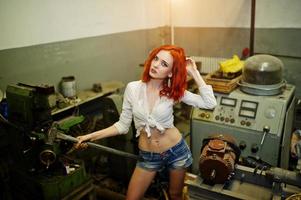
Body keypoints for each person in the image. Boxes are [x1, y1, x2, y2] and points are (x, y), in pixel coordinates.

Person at [76, 45, 217, 200]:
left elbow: (210, 103)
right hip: (148, 156)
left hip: (176, 151)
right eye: (156, 59)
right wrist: (91, 136)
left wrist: (194, 72)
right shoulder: (133, 88)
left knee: (175, 195)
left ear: (170, 72)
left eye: (164, 64)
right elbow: (122, 126)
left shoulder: (173, 92)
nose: (156, 64)